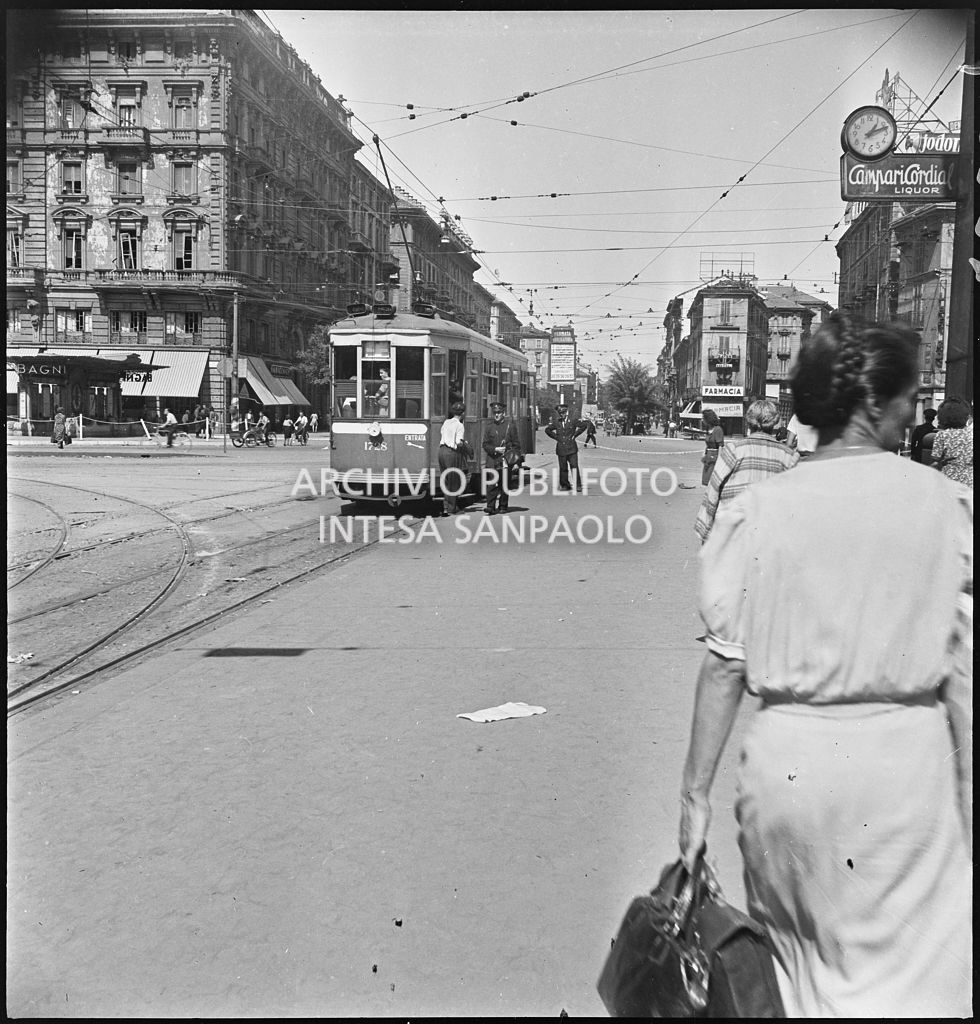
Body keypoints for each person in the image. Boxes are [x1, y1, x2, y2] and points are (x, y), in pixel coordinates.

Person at [678, 312, 972, 1018]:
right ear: (873, 402)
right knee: (910, 985)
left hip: (788, 772)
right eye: (906, 397)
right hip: (900, 773)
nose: (913, 412)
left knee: (795, 973)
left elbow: (725, 666)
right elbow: (963, 679)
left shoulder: (761, 511)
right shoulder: (946, 506)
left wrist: (694, 801)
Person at [694, 399, 799, 543]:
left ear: (749, 422)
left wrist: (705, 532)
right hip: (770, 538)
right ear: (774, 423)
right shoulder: (789, 456)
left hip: (734, 536)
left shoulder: (734, 451)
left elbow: (713, 491)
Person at [482, 401, 522, 515]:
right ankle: (490, 506)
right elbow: (485, 444)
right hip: (492, 459)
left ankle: (503, 506)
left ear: (503, 413)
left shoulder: (510, 426)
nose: (496, 415)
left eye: (499, 412)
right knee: (491, 483)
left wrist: (516, 462)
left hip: (505, 460)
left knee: (504, 484)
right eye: (495, 413)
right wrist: (494, 449)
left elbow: (516, 445)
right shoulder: (489, 427)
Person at [930, 396, 972, 487]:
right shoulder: (971, 434)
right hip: (969, 480)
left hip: (949, 480)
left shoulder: (942, 435)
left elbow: (936, 460)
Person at [545, 406, 586, 491]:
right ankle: (565, 485)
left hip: (571, 448)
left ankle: (578, 485)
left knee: (574, 466)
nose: (562, 415)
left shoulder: (573, 420)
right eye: (560, 413)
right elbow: (547, 430)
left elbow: (583, 426)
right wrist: (556, 437)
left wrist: (575, 435)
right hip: (561, 448)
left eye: (563, 413)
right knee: (563, 468)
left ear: (566, 412)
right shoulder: (557, 422)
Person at [438, 401, 469, 515]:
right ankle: (452, 508)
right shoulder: (460, 425)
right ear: (463, 413)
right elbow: (458, 442)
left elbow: (442, 434)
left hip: (441, 451)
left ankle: (446, 506)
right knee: (453, 480)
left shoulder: (446, 422)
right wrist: (465, 445)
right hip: (452, 453)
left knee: (446, 480)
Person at [699, 408, 725, 486]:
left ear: (708, 419)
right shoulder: (708, 429)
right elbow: (708, 445)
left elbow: (720, 446)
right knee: (705, 481)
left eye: (703, 418)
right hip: (708, 458)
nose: (702, 420)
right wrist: (704, 455)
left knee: (712, 482)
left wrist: (719, 461)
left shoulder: (718, 430)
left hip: (715, 457)